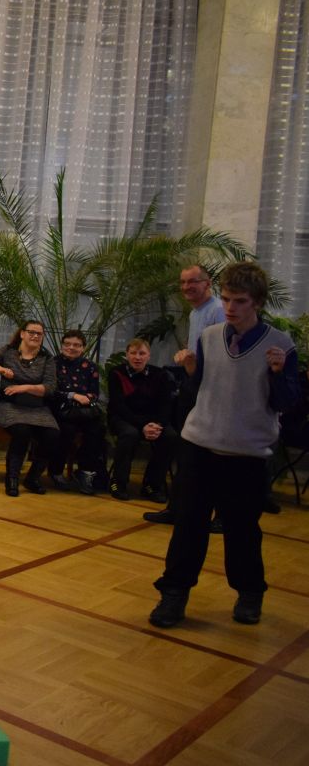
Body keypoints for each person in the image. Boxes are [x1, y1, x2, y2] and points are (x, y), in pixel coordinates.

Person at [149, 261, 298, 628]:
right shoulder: (210, 336)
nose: (231, 307)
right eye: (227, 298)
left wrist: (279, 374)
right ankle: (174, 594)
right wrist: (189, 371)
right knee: (188, 526)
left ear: (257, 302)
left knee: (242, 530)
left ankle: (249, 592)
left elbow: (286, 403)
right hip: (199, 445)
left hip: (246, 453)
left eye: (240, 301)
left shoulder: (280, 345)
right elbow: (199, 389)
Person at [146, 264, 226, 525]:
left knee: (213, 454)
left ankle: (220, 515)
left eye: (192, 281)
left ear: (208, 283)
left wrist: (193, 364)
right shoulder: (195, 313)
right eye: (182, 282)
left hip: (212, 390)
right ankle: (177, 508)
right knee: (186, 451)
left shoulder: (217, 311)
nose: (186, 287)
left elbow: (220, 357)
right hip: (194, 383)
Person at [0, 321, 60, 497]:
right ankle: (12, 479)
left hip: (36, 407)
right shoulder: (9, 351)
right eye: (31, 332)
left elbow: (50, 388)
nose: (35, 336)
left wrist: (25, 388)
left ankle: (33, 478)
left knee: (53, 435)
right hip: (10, 404)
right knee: (22, 432)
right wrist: (1, 369)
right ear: (22, 334)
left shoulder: (47, 358)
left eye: (39, 333)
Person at [107, 339, 176, 501]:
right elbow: (119, 406)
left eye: (142, 353)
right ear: (127, 355)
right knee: (129, 434)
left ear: (148, 356)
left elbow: (166, 405)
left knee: (170, 436)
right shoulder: (116, 373)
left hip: (152, 420)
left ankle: (152, 485)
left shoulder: (160, 375)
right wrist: (142, 425)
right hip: (123, 418)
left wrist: (157, 424)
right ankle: (118, 483)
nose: (137, 357)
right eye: (133, 353)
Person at [47, 330, 105, 494]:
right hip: (59, 409)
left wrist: (86, 398)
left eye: (77, 345)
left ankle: (85, 472)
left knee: (97, 429)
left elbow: (95, 393)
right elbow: (50, 391)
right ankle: (56, 471)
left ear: (83, 348)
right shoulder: (52, 363)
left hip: (84, 410)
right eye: (68, 344)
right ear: (62, 345)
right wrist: (73, 396)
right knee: (67, 430)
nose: (71, 348)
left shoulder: (90, 367)